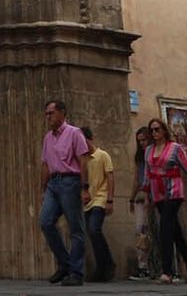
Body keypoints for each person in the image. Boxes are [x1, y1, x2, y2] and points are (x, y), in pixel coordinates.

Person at [143, 117, 187, 284]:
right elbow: (147, 173)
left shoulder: (175, 148)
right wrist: (146, 194)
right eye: (152, 130)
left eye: (157, 129)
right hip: (158, 194)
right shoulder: (148, 150)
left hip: (173, 192)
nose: (154, 133)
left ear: (164, 130)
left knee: (165, 228)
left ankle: (167, 272)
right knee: (175, 232)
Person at [38, 99, 89, 287]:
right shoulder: (47, 138)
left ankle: (76, 272)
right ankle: (65, 264)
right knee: (45, 222)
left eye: (51, 113)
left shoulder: (74, 133)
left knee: (75, 228)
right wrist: (43, 188)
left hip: (70, 181)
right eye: (46, 114)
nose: (48, 117)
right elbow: (45, 164)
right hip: (53, 183)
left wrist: (85, 187)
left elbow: (83, 161)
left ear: (62, 113)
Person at [80, 126, 116, 282]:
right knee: (91, 233)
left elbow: (110, 177)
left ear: (90, 139)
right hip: (87, 201)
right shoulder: (82, 160)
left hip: (100, 198)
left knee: (94, 229)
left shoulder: (102, 155)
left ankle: (106, 265)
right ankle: (104, 265)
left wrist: (110, 200)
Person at [127, 125, 158, 280]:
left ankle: (157, 265)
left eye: (144, 140)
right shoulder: (139, 158)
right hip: (141, 196)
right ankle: (143, 267)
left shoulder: (155, 154)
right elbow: (136, 179)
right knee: (140, 231)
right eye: (139, 141)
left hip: (155, 195)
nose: (142, 143)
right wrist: (131, 198)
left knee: (155, 230)